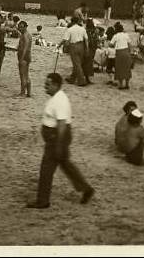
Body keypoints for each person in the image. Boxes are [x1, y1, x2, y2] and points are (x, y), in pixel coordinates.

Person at [27, 73, 94, 209]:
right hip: (55, 137)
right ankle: (86, 188)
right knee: (66, 165)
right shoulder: (56, 97)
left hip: (56, 137)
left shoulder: (60, 101)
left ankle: (43, 200)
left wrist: (58, 145)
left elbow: (62, 124)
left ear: (56, 85)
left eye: (48, 84)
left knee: (46, 169)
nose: (45, 87)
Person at [60, 17, 89, 87]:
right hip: (81, 46)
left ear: (72, 22)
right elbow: (86, 39)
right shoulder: (82, 29)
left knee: (76, 64)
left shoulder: (70, 29)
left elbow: (65, 40)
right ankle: (72, 78)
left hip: (74, 46)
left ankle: (81, 80)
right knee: (78, 63)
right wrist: (87, 48)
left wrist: (59, 45)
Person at [110, 22, 132, 90]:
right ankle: (127, 84)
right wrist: (129, 52)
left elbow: (111, 44)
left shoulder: (115, 36)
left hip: (119, 52)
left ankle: (121, 85)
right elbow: (129, 45)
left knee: (119, 68)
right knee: (127, 68)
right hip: (126, 51)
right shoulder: (126, 35)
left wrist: (115, 45)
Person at [17, 21, 33, 97]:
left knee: (22, 75)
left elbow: (25, 48)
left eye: (21, 27)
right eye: (19, 27)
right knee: (26, 74)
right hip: (27, 56)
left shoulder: (25, 35)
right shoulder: (27, 34)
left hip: (24, 56)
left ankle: (22, 92)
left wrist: (21, 58)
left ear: (25, 27)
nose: (20, 28)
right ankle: (29, 93)